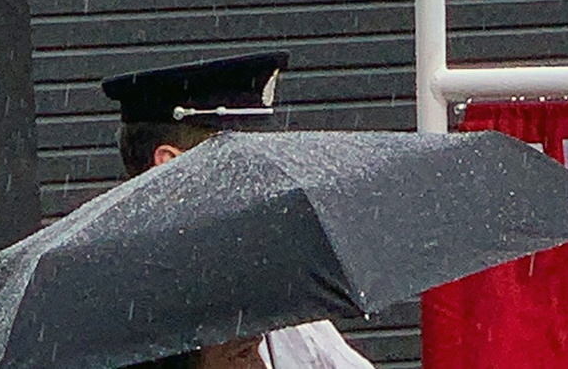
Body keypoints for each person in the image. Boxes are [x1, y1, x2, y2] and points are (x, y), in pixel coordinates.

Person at [102, 52, 375, 369]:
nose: (267, 180)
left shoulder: (275, 300)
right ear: (171, 168)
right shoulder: (105, 312)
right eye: (240, 164)